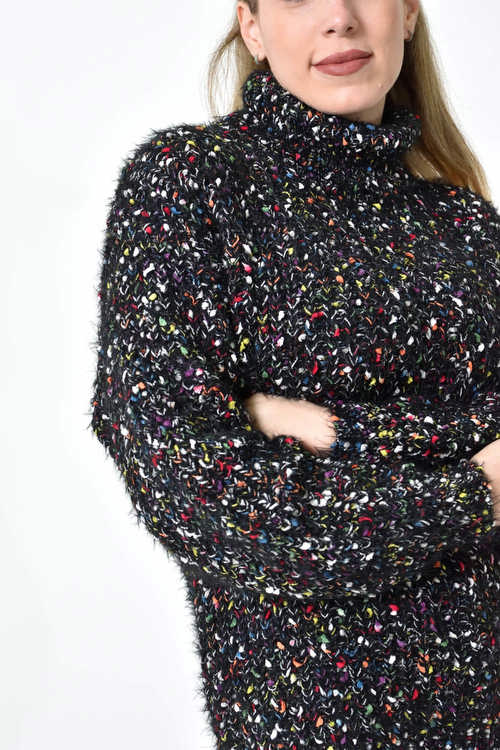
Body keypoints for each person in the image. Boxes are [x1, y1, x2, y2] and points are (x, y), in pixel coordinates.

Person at [88, 0, 500, 747]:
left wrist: (320, 432)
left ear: (408, 13)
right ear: (252, 26)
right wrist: (472, 491)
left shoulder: (467, 225)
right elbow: (196, 487)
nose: (339, 18)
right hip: (313, 721)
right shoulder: (190, 184)